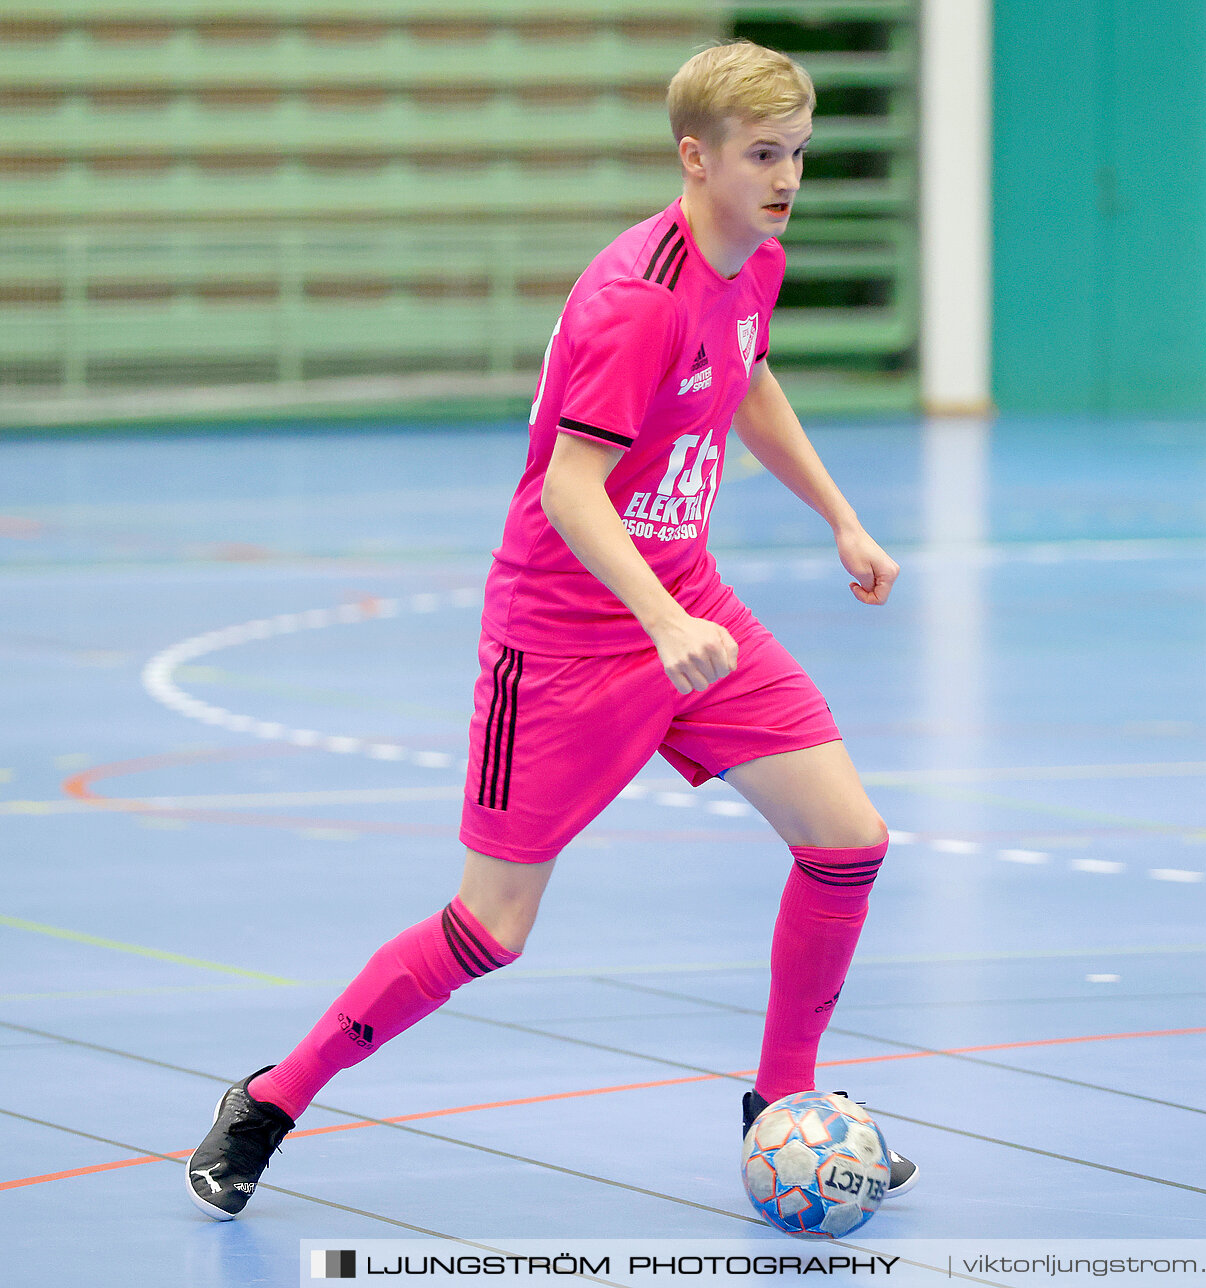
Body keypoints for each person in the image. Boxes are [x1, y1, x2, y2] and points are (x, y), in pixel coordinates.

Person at [184, 40, 914, 1221]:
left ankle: (781, 1102)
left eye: (798, 155)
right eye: (763, 157)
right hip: (568, 639)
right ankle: (269, 1101)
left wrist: (841, 518)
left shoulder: (754, 262)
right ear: (697, 156)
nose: (786, 179)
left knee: (847, 841)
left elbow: (748, 377)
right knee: (491, 926)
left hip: (688, 607)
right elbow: (573, 489)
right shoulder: (639, 298)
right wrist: (660, 616)